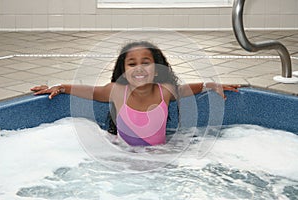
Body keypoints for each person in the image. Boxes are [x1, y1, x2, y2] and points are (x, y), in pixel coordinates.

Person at [31, 41, 240, 146]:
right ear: (123, 70)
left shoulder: (164, 91)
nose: (139, 68)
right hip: (124, 157)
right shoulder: (116, 91)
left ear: (157, 69)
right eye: (132, 64)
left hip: (159, 156)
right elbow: (90, 92)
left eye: (146, 63)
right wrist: (60, 86)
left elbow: (187, 89)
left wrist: (210, 84)